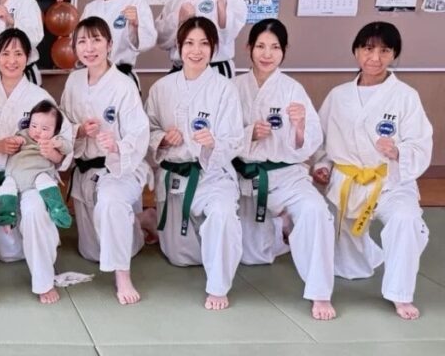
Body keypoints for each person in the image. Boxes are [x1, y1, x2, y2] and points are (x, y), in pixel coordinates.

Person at [313, 22, 433, 320]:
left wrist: (399, 151)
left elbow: (420, 142)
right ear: (356, 51)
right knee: (346, 261)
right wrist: (322, 167)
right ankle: (370, 254)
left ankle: (400, 294)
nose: (375, 58)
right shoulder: (339, 95)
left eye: (385, 50)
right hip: (347, 182)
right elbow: (322, 142)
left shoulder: (405, 96)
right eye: (368, 49)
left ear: (394, 54)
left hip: (390, 181)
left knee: (406, 220)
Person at [233, 20, 336, 320]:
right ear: (248, 48)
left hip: (286, 175)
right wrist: (249, 134)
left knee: (316, 211)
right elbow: (221, 136)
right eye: (261, 46)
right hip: (244, 177)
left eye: (275, 47)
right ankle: (282, 229)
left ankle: (320, 292)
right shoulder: (233, 87)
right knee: (252, 256)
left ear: (284, 50)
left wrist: (300, 126)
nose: (267, 54)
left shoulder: (293, 89)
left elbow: (311, 141)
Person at [146, 16, 243, 310]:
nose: (196, 51)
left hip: (212, 175)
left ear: (214, 48)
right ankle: (152, 220)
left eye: (204, 44)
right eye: (189, 43)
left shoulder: (225, 89)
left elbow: (235, 139)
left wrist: (213, 143)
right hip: (175, 178)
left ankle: (218, 287)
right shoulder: (161, 88)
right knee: (179, 257)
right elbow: (147, 129)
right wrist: (163, 138)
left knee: (222, 215)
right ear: (179, 47)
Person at [0, 28, 74, 303]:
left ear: (28, 57)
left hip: (34, 178)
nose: (11, 60)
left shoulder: (39, 96)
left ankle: (44, 282)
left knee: (33, 210)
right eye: (5, 53)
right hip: (1, 180)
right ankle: (44, 236)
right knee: (8, 254)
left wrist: (52, 152)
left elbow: (63, 144)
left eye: (18, 54)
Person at [60, 17, 151, 305]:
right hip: (87, 169)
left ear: (109, 45)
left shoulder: (123, 85)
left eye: (96, 40)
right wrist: (78, 130)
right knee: (92, 251)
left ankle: (123, 277)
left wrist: (116, 146)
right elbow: (63, 122)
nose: (89, 48)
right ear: (75, 47)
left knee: (111, 204)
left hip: (117, 169)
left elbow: (139, 132)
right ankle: (140, 223)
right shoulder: (74, 81)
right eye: (82, 41)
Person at [79, 0, 158, 88]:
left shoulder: (136, 3)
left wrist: (135, 25)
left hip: (121, 77)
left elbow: (147, 42)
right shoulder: (91, 8)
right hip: (91, 76)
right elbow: (80, 42)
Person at [0, 100, 71, 230]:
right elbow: (14, 140)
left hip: (39, 173)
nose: (37, 131)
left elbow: (67, 148)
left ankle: (58, 210)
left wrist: (56, 143)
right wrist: (16, 140)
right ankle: (6, 219)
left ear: (55, 131)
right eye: (34, 125)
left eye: (44, 129)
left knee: (47, 183)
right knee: (6, 188)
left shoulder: (53, 140)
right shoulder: (23, 134)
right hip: (15, 174)